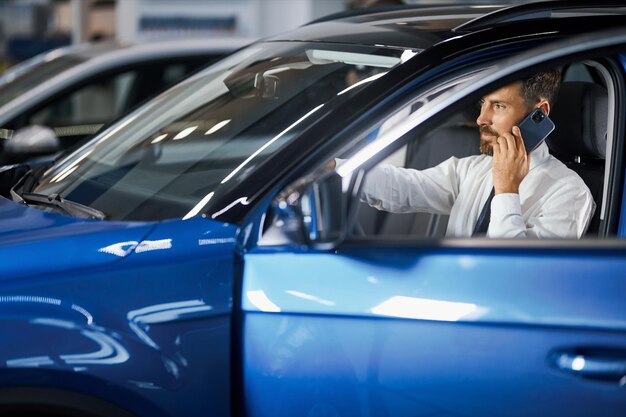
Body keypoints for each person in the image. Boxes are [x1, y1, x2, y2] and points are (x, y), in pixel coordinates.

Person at [340, 69, 595, 238]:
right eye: (483, 103)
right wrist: (335, 170)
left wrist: (507, 191)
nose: (481, 118)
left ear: (540, 112)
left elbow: (514, 274)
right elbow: (404, 188)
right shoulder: (475, 169)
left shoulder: (569, 193)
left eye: (498, 105)